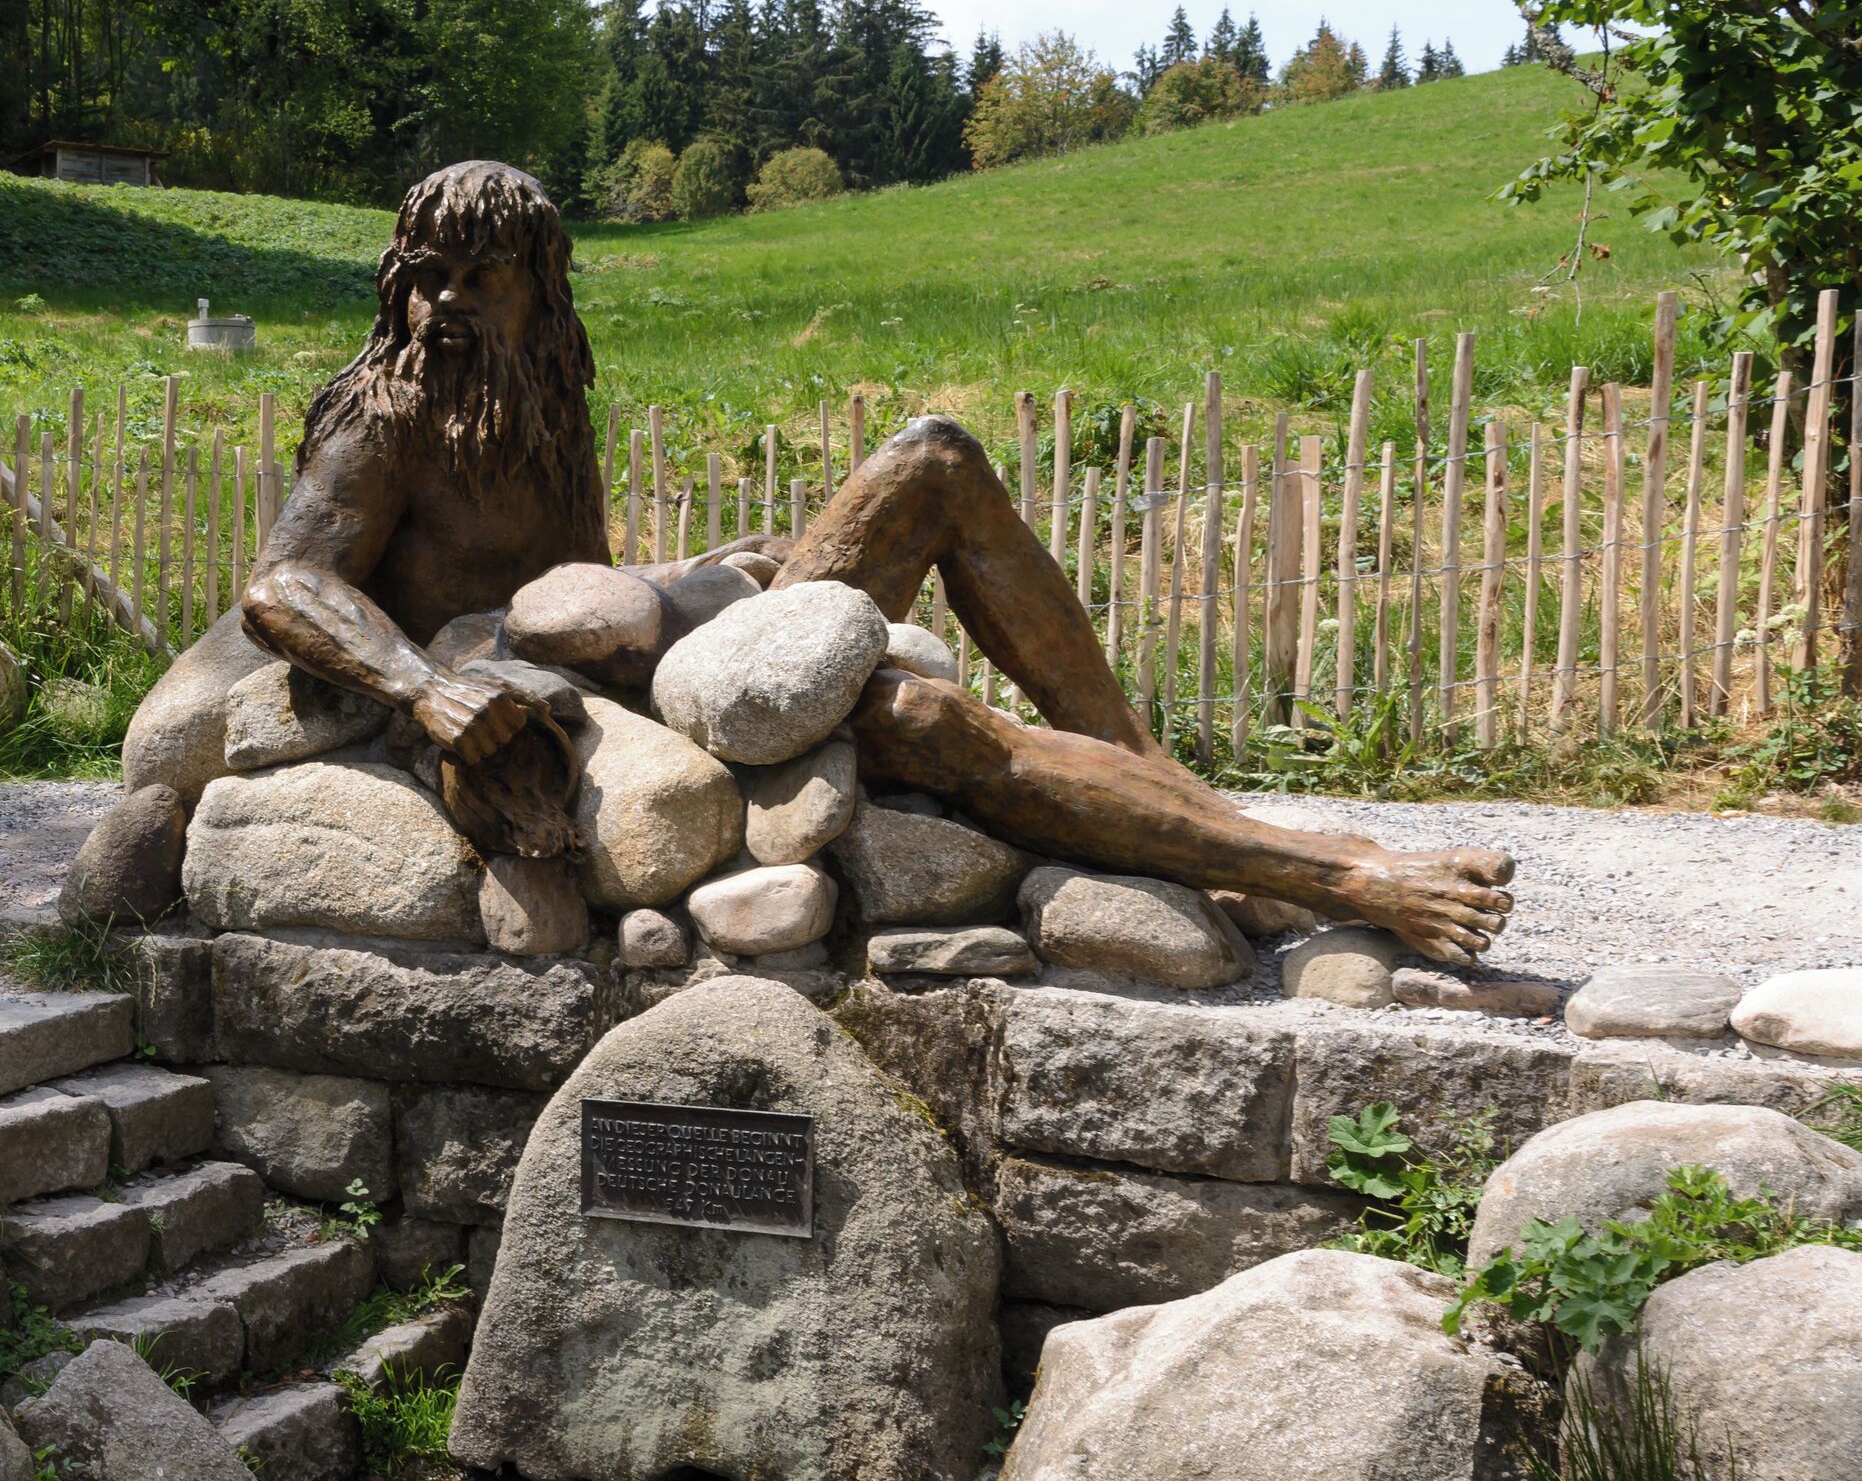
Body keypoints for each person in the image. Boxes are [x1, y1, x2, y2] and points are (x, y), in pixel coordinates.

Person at [237, 157, 1513, 961]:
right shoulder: (389, 410)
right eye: (426, 279)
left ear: (545, 288)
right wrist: (423, 687)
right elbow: (285, 583)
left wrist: (703, 574)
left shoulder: (542, 399)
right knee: (920, 715)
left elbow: (584, 592)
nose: (448, 304)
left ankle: (1163, 787)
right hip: (537, 713)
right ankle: (1333, 871)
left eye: (484, 278)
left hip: (645, 666)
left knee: (935, 457)